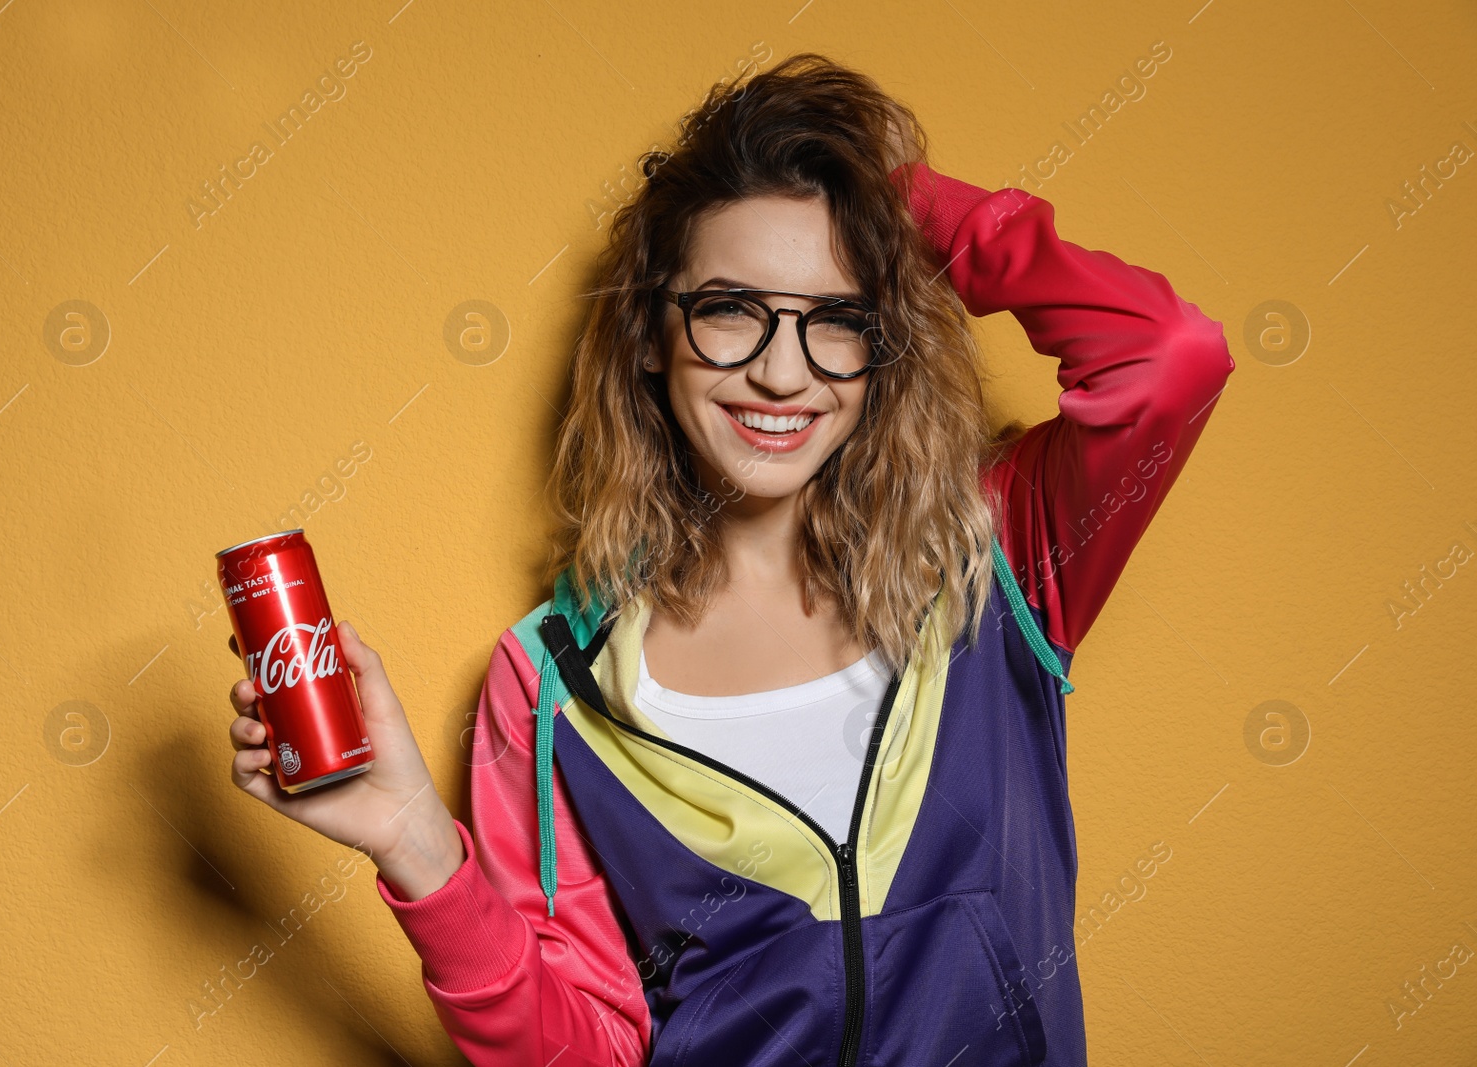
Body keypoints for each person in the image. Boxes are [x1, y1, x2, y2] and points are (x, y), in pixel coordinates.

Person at [225, 52, 1234, 1066]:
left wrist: (890, 198)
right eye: (727, 308)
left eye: (837, 319)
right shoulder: (553, 685)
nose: (781, 370)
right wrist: (417, 845)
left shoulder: (997, 556)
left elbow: (1168, 353)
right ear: (652, 335)